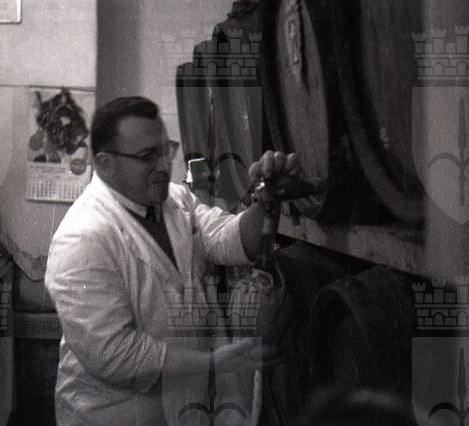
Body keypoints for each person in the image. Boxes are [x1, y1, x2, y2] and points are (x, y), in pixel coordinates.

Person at [45, 96, 300, 425]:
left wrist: (266, 200)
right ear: (106, 164)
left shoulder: (174, 201)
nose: (164, 165)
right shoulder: (82, 237)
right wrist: (213, 363)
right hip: (113, 417)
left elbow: (232, 241)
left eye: (166, 150)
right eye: (148, 157)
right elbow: (113, 355)